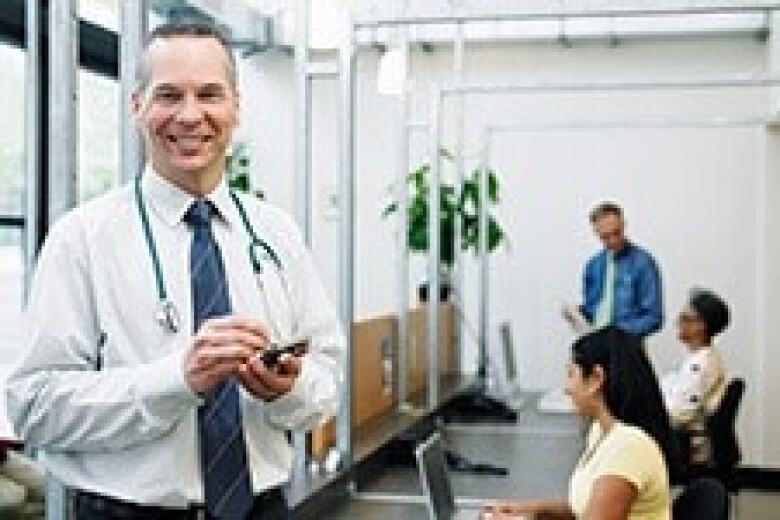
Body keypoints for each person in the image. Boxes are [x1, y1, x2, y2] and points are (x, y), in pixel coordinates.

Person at [5, 19, 344, 520]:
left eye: (210, 94)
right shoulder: (82, 239)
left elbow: (327, 384)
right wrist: (175, 380)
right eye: (168, 95)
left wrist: (289, 388)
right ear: (137, 106)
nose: (190, 116)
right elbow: (36, 408)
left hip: (263, 509)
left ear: (235, 107)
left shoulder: (277, 235)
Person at [482, 327, 677, 520]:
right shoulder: (601, 431)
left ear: (596, 379)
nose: (567, 388)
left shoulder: (629, 446)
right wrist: (523, 510)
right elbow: (583, 508)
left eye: (571, 374)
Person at [564, 202, 663, 339]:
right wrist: (577, 313)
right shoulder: (593, 266)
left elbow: (653, 317)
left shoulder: (643, 263)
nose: (613, 241)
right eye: (605, 237)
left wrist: (617, 332)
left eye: (616, 233)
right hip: (595, 343)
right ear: (596, 232)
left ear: (624, 224)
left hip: (625, 347)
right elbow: (594, 310)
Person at [661, 288, 730, 462]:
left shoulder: (700, 365)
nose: (678, 324)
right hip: (684, 437)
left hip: (686, 444)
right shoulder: (700, 358)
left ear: (702, 325)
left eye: (684, 319)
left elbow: (679, 415)